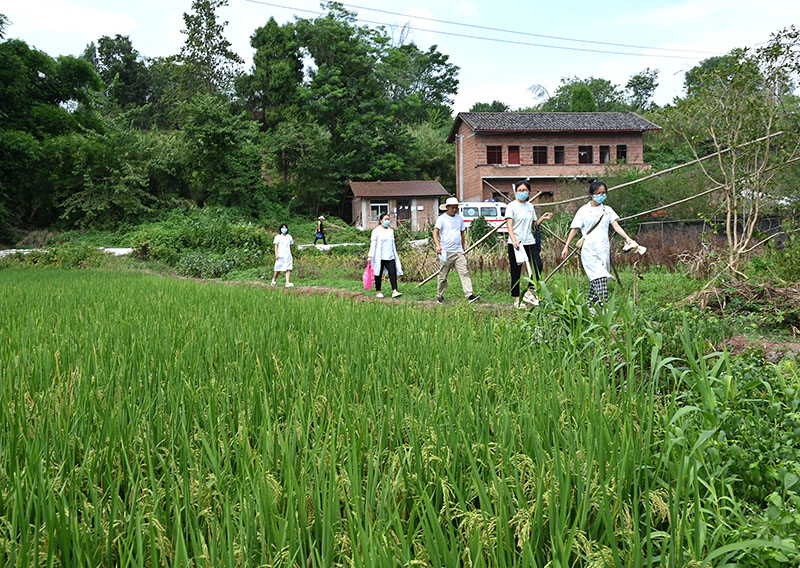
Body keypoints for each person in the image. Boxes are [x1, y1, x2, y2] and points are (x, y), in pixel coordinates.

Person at [560, 179, 635, 308]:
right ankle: (603, 307)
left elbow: (616, 226)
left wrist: (627, 238)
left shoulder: (608, 210)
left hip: (604, 248)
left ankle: (591, 307)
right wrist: (566, 246)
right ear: (591, 194)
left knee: (598, 280)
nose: (601, 196)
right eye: (598, 193)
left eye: (604, 193)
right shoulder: (583, 210)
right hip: (589, 249)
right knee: (599, 277)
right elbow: (575, 229)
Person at [506, 180, 552, 308]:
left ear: (529, 192)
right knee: (516, 271)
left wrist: (543, 218)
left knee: (538, 265)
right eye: (520, 190)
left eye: (525, 190)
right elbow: (509, 226)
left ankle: (528, 291)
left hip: (530, 242)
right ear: (516, 192)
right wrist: (514, 240)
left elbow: (534, 225)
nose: (522, 193)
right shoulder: (511, 206)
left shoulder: (530, 206)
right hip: (516, 243)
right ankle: (516, 300)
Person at [433, 196, 480, 305]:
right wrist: (438, 246)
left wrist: (463, 248)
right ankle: (440, 295)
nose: (454, 210)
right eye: (452, 208)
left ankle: (469, 294)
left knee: (464, 272)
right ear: (447, 207)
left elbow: (462, 234)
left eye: (456, 208)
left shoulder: (459, 219)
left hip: (458, 251)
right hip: (446, 251)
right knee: (443, 275)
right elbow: (435, 232)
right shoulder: (442, 219)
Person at [367, 213, 403, 299]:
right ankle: (378, 291)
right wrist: (370, 255)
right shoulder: (376, 231)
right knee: (378, 273)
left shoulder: (391, 231)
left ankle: (394, 290)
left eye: (388, 219)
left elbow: (392, 244)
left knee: (392, 272)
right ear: (381, 221)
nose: (387, 221)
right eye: (385, 219)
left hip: (390, 256)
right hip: (379, 256)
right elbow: (373, 244)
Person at [272, 223, 295, 287]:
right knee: (278, 269)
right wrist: (276, 255)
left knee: (288, 268)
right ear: (280, 229)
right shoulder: (278, 237)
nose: (284, 229)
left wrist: (290, 253)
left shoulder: (289, 237)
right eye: (282, 228)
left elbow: (290, 245)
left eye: (285, 228)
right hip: (280, 255)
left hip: (287, 255)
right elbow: (276, 246)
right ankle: (274, 280)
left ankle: (287, 282)